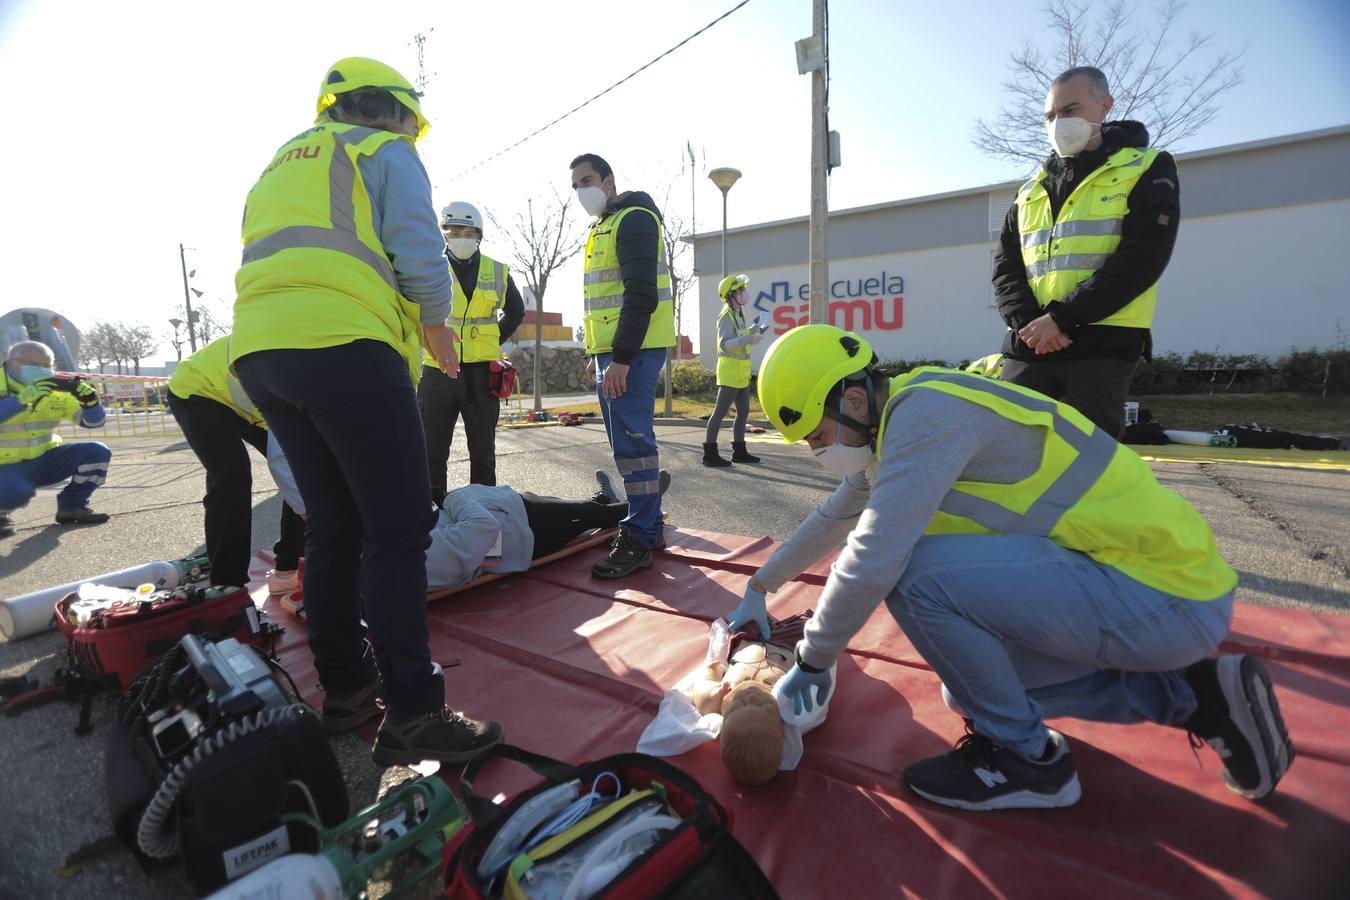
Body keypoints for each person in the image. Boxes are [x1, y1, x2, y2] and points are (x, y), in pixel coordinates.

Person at [726, 324, 1293, 811]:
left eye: (819, 437)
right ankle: (1200, 696)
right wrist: (760, 583)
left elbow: (873, 553)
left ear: (851, 400)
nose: (819, 453)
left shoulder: (924, 418)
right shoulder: (903, 416)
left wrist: (815, 658)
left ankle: (1030, 762)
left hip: (1160, 597)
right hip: (1155, 594)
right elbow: (834, 516)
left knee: (915, 574)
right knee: (972, 690)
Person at [228, 56, 503, 766]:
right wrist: (436, 325)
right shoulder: (385, 149)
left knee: (334, 526)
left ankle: (347, 688)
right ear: (391, 109)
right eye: (414, 121)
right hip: (345, 343)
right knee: (398, 528)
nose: (416, 133)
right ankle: (415, 711)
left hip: (262, 353)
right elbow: (419, 250)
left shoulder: (282, 161)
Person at [993, 65, 1180, 438]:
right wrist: (1030, 325)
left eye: (1069, 110)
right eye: (1050, 115)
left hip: (1102, 345)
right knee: (1008, 459)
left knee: (1085, 470)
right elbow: (1006, 267)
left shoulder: (1146, 167)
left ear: (1105, 106)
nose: (1058, 122)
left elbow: (1143, 257)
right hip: (1031, 345)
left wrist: (1062, 319)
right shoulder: (1031, 187)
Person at [569, 152, 675, 579]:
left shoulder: (633, 219)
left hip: (631, 352)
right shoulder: (602, 228)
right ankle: (650, 526)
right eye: (575, 185)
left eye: (587, 180)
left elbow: (640, 294)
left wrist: (622, 358)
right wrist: (598, 356)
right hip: (613, 353)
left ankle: (641, 537)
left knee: (633, 447)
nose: (581, 190)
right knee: (628, 448)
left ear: (609, 180)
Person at [167, 335, 305, 592]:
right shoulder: (301, 367)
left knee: (311, 475)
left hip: (255, 406)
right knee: (232, 478)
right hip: (200, 388)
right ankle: (227, 584)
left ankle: (288, 568)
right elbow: (286, 459)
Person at [419, 201, 526, 498]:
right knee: (433, 452)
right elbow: (413, 314)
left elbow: (516, 311)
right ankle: (434, 514)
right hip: (437, 370)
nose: (460, 236)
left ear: (478, 234)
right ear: (444, 234)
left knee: (482, 452)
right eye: (453, 230)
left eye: (467, 231)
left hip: (482, 374)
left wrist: (492, 341)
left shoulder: (498, 271)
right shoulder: (428, 270)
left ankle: (483, 514)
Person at [0, 340, 109, 538]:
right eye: (32, 365)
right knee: (16, 490)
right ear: (9, 364)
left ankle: (72, 507)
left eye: (47, 365)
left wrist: (91, 403)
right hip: (4, 468)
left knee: (97, 452)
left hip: (42, 461)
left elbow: (93, 423)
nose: (41, 370)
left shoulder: (54, 389)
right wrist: (20, 400)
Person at [702, 274, 768, 467]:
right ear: (730, 295)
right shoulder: (725, 316)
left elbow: (739, 335)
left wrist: (753, 329)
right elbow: (725, 345)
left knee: (743, 412)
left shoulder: (738, 313)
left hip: (741, 374)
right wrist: (748, 339)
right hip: (730, 373)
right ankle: (709, 454)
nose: (744, 293)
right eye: (740, 290)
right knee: (719, 413)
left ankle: (739, 452)